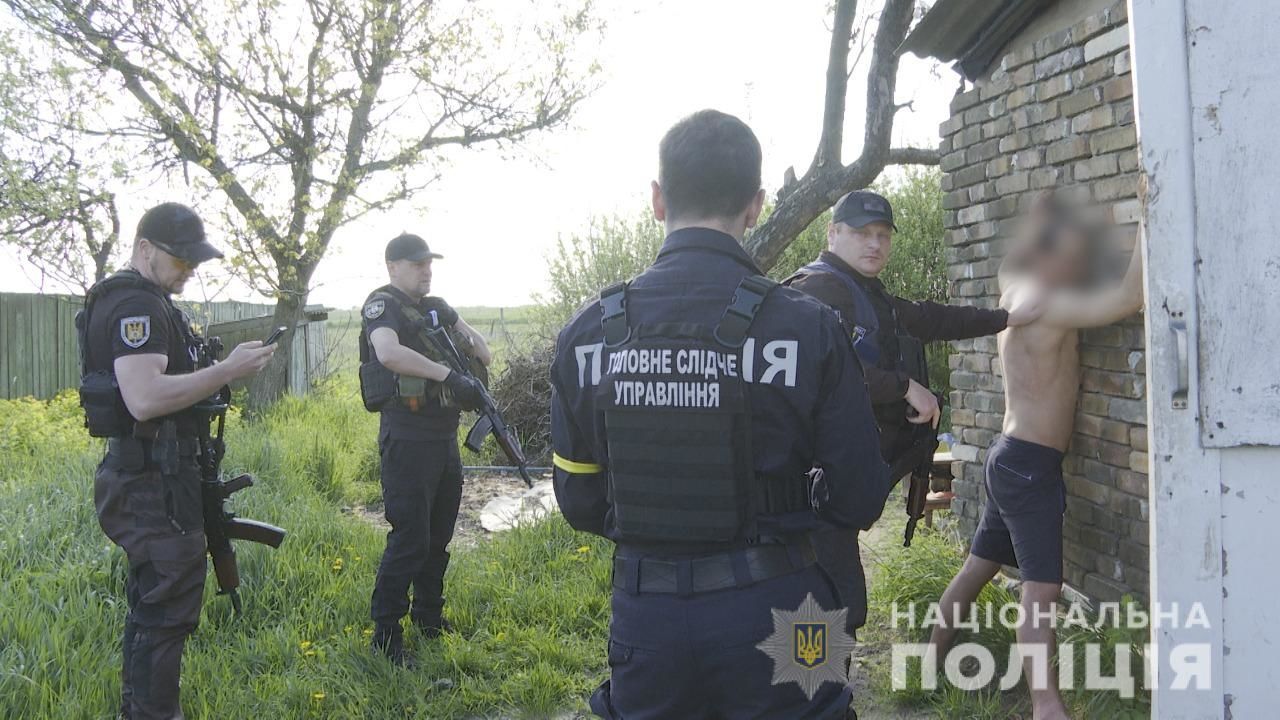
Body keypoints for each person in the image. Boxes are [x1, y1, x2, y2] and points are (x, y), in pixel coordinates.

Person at [550, 109, 892, 720]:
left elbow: (578, 502)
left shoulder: (588, 333)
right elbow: (862, 497)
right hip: (791, 603)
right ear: (757, 205)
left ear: (657, 199)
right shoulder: (807, 325)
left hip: (645, 612)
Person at [783, 190, 1044, 636]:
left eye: (883, 235)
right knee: (830, 604)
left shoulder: (863, 292)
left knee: (833, 602)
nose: (875, 244)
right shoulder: (818, 289)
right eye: (863, 233)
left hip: (833, 485)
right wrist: (905, 386)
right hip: (811, 486)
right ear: (833, 233)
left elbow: (930, 320)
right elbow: (824, 372)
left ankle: (817, 696)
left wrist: (1004, 318)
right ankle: (815, 699)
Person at [928, 196, 1144, 720]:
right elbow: (1128, 299)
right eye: (1069, 258)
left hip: (1010, 458)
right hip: (1029, 465)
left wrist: (1051, 226)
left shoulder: (1014, 289)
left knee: (980, 565)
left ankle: (930, 658)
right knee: (1042, 586)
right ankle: (1046, 705)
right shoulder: (1051, 303)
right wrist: (1152, 213)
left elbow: (1017, 258)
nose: (1076, 268)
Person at [79, 202, 277, 719]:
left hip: (160, 475)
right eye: (181, 259)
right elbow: (144, 398)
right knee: (165, 613)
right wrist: (227, 371)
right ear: (144, 249)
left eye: (194, 260)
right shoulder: (135, 307)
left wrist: (218, 368)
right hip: (152, 482)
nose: (189, 269)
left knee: (155, 610)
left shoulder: (148, 300)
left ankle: (140, 710)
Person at [359, 233, 491, 665]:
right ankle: (386, 634)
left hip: (442, 438)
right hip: (407, 438)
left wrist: (456, 322)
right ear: (393, 267)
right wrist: (447, 377)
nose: (426, 271)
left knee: (440, 536)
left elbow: (485, 355)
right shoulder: (383, 305)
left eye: (429, 264)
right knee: (410, 538)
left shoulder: (434, 310)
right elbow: (389, 353)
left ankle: (429, 618)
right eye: (417, 264)